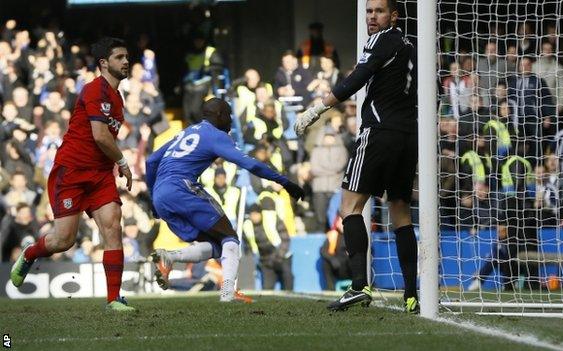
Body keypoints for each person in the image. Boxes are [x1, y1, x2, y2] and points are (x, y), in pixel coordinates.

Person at [295, 0, 418, 313]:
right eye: (369, 11)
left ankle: (358, 286)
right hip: (408, 136)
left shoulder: (379, 40)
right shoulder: (412, 48)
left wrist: (317, 109)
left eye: (378, 11)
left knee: (350, 206)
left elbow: (357, 78)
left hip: (378, 133)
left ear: (394, 16)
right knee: (400, 211)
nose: (372, 17)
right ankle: (411, 295)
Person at [10, 37, 135, 311]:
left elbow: (104, 141)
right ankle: (30, 253)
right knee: (63, 241)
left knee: (113, 226)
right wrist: (123, 162)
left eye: (127, 56)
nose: (126, 61)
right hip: (73, 172)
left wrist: (114, 165)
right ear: (104, 63)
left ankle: (114, 299)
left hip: (100, 174)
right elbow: (100, 135)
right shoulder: (94, 90)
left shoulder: (118, 98)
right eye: (119, 57)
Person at [145, 98, 304, 302]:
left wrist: (153, 199)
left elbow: (151, 162)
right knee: (230, 238)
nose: (230, 121)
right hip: (182, 187)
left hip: (161, 194)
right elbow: (250, 164)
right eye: (228, 115)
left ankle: (171, 257)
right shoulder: (215, 135)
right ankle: (228, 293)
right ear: (218, 115)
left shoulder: (186, 131)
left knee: (216, 245)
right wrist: (285, 182)